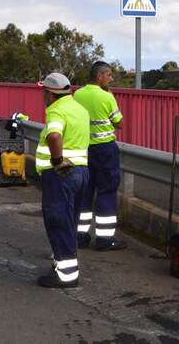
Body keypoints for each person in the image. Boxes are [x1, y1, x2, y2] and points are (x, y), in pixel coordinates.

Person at [35, 72, 91, 288]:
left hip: (61, 175)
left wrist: (57, 160)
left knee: (58, 221)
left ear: (50, 94)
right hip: (82, 174)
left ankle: (66, 275)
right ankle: (65, 265)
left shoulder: (56, 110)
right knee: (70, 222)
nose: (43, 96)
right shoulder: (79, 109)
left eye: (44, 93)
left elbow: (54, 136)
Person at [73, 61, 126, 251]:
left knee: (84, 193)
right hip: (104, 150)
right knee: (106, 192)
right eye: (109, 75)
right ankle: (104, 239)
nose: (111, 78)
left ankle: (80, 236)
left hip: (83, 149)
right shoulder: (107, 97)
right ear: (100, 76)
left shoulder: (77, 94)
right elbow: (119, 123)